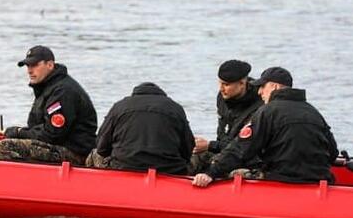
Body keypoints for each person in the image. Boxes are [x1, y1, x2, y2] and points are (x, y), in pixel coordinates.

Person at [192, 66, 338, 187]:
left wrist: (210, 173)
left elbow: (240, 148)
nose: (260, 91)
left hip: (280, 179)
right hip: (317, 180)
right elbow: (332, 153)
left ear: (274, 86)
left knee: (234, 173)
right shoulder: (313, 112)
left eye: (262, 86)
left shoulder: (267, 111)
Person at [0, 46, 98, 165]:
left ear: (50, 65)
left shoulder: (63, 91)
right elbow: (36, 126)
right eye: (28, 66)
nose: (29, 70)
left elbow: (52, 134)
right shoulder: (46, 88)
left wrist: (18, 132)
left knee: (6, 146)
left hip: (75, 152)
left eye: (34, 65)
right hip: (56, 146)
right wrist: (14, 132)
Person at [85, 82, 195, 175]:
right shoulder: (175, 108)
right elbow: (187, 149)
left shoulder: (120, 106)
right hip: (169, 170)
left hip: (123, 168)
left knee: (94, 155)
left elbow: (102, 148)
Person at [190, 59, 263, 174]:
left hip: (247, 157)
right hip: (224, 149)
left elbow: (244, 146)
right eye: (220, 83)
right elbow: (222, 133)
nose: (221, 88)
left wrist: (211, 145)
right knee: (192, 156)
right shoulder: (223, 97)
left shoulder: (260, 105)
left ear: (242, 83)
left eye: (226, 84)